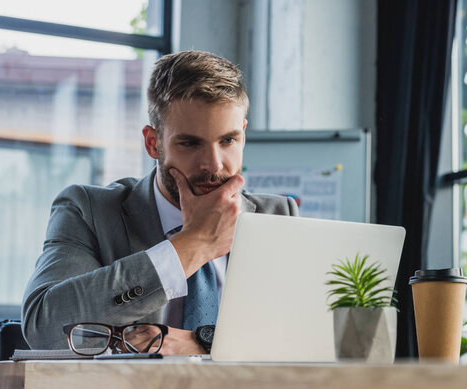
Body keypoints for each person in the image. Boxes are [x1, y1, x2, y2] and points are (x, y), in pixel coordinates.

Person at [21, 51, 298, 354]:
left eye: (227, 141)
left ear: (243, 136)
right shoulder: (89, 211)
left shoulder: (278, 217)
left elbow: (304, 339)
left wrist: (201, 341)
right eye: (190, 143)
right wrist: (193, 246)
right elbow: (44, 328)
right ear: (153, 143)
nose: (213, 164)